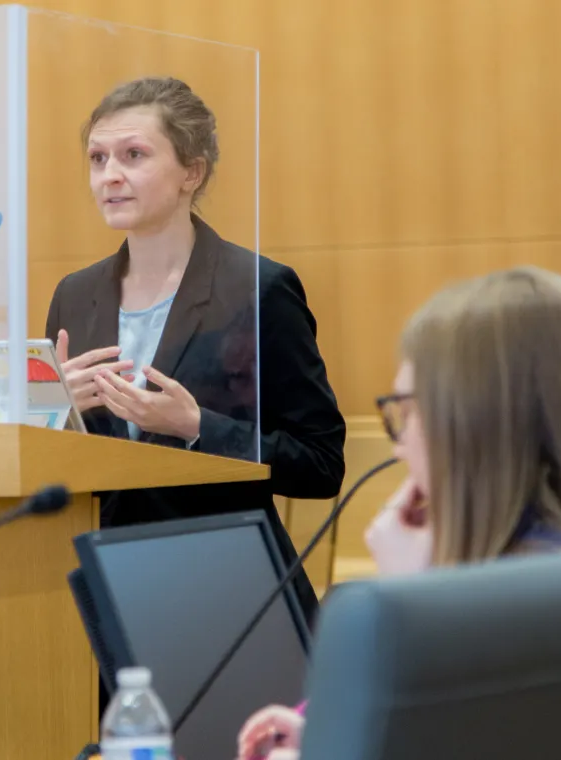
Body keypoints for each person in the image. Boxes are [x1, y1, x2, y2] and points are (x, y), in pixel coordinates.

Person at [237, 267, 561, 760]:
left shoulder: (500, 618)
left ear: (467, 427)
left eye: (404, 411)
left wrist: (420, 605)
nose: (400, 446)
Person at [46, 76, 346, 617]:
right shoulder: (75, 294)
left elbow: (322, 465)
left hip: (224, 592)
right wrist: (53, 410)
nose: (109, 176)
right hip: (101, 590)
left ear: (193, 172)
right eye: (97, 158)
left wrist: (197, 427)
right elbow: (55, 465)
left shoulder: (257, 288)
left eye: (133, 155)